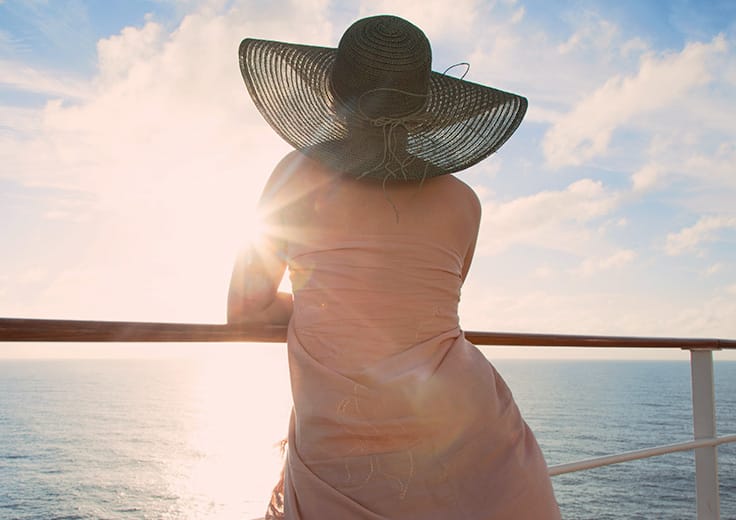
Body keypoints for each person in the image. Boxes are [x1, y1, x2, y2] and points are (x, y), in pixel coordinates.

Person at [228, 15, 561, 520]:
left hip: (346, 456)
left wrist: (323, 309)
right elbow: (424, 311)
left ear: (335, 93)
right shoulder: (463, 201)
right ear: (424, 107)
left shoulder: (295, 175)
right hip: (480, 442)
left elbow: (245, 309)